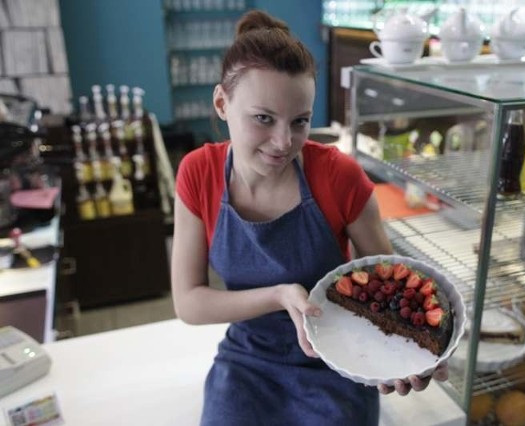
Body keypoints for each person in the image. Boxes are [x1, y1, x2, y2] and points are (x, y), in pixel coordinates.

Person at [171, 10, 445, 426]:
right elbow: (189, 301)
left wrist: (413, 354)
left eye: (300, 122)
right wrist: (280, 295)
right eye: (263, 118)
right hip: (248, 359)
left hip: (340, 357)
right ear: (222, 104)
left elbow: (390, 287)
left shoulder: (338, 175)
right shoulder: (199, 172)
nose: (284, 142)